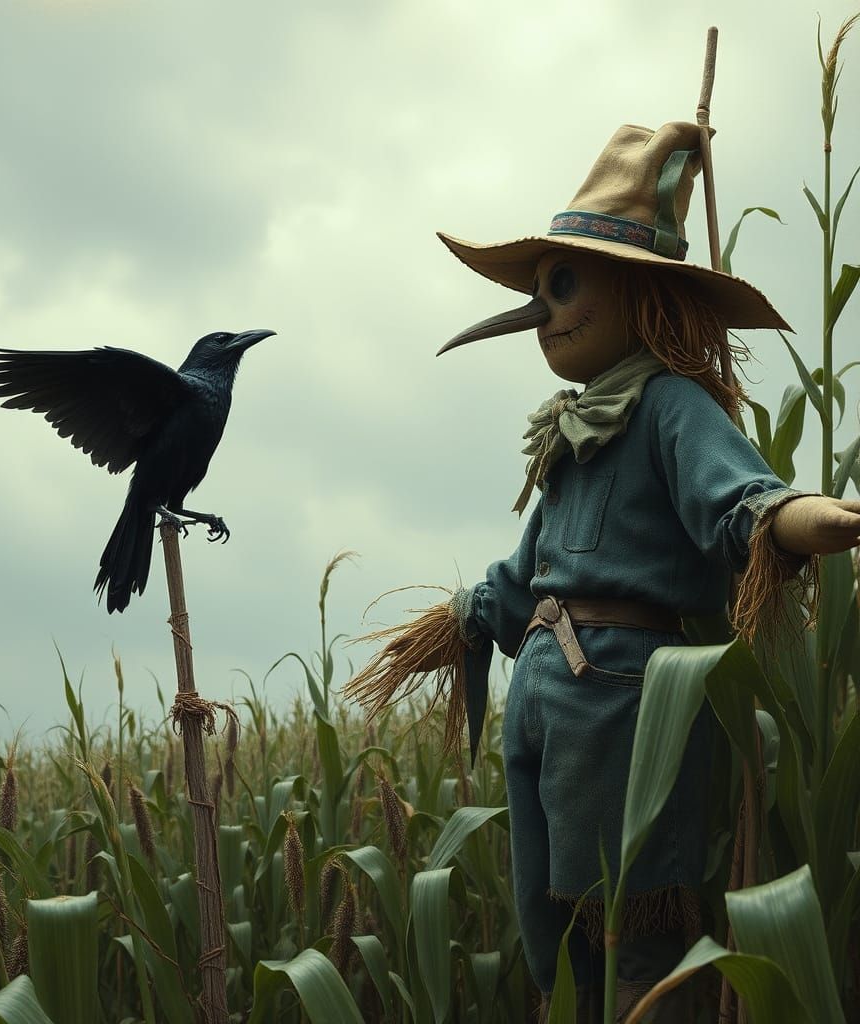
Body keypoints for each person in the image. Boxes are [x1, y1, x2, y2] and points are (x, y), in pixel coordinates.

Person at [347, 121, 860, 1022]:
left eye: (563, 284)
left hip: (629, 707)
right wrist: (464, 618)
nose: (542, 311)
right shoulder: (578, 432)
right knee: (556, 935)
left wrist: (803, 520)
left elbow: (742, 499)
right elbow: (531, 572)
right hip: (547, 700)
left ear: (640, 293)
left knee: (633, 929)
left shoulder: (669, 405)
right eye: (540, 288)